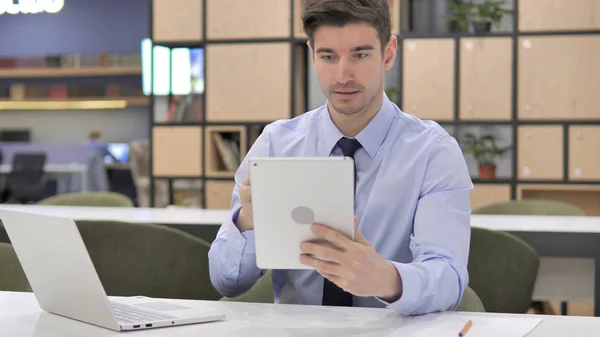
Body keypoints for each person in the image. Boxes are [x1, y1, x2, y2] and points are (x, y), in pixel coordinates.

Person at [208, 0, 473, 316]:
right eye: (328, 57)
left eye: (360, 55)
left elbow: (449, 277)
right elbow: (227, 283)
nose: (343, 75)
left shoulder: (433, 152)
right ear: (312, 55)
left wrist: (387, 279)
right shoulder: (275, 144)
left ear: (388, 53)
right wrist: (248, 222)